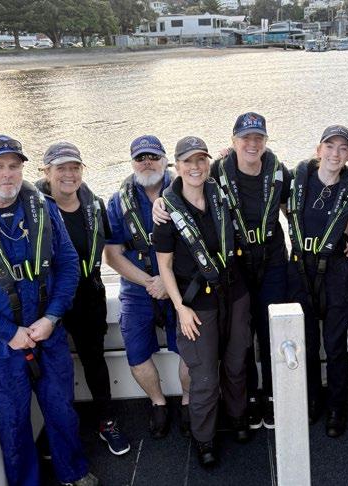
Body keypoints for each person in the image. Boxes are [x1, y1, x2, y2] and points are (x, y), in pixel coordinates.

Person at [0, 135, 97, 486]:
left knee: (61, 409)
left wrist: (52, 317)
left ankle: (73, 472)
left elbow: (68, 264)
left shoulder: (44, 208)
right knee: (12, 422)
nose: (7, 174)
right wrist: (8, 333)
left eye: (14, 166)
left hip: (47, 333)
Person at [154, 113, 291, 429]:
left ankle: (272, 396)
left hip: (271, 261)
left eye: (258, 138)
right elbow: (185, 182)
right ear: (233, 141)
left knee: (269, 331)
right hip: (238, 265)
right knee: (243, 341)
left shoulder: (278, 170)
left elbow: (292, 207)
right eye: (245, 138)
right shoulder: (217, 169)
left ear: (266, 141)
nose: (252, 144)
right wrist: (160, 202)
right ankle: (249, 398)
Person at [155, 136, 251, 467]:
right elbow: (164, 266)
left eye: (201, 160)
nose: (195, 167)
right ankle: (204, 438)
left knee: (237, 364)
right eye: (188, 161)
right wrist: (180, 308)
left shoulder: (221, 195)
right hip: (197, 305)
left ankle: (238, 417)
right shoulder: (166, 211)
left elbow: (245, 155)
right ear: (177, 166)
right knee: (205, 377)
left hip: (235, 294)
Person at [35, 141, 130, 455]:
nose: (69, 174)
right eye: (61, 168)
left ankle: (106, 421)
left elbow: (112, 247)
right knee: (53, 369)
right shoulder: (32, 209)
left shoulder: (95, 205)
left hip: (88, 296)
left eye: (74, 167)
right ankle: (59, 430)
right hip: (48, 301)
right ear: (46, 172)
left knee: (94, 361)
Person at [104, 135, 190, 439]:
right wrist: (150, 282)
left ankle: (188, 402)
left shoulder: (185, 190)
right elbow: (112, 255)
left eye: (153, 157)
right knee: (136, 351)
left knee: (192, 348)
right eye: (140, 158)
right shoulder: (117, 202)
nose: (147, 163)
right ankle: (158, 402)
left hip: (180, 285)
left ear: (165, 160)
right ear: (132, 163)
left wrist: (168, 282)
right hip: (137, 289)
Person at [285, 125, 348, 438]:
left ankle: (337, 406)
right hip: (300, 269)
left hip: (335, 271)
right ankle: (312, 399)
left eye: (343, 148)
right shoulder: (297, 178)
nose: (335, 153)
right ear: (319, 150)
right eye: (330, 146)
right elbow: (262, 189)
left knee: (335, 343)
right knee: (307, 343)